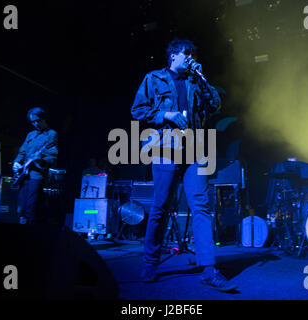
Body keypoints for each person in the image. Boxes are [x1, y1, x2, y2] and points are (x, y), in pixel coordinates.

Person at [131, 38, 238, 291]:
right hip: (165, 149)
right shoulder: (154, 78)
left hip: (195, 151)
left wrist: (202, 77)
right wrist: (164, 115)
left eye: (193, 53)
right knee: (160, 208)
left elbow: (215, 105)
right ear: (173, 55)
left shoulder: (195, 80)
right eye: (186, 53)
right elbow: (137, 110)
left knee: (201, 207)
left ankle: (209, 269)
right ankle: (150, 262)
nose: (190, 57)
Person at [13, 107, 58, 224]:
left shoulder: (51, 134)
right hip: (23, 175)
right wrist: (16, 162)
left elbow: (52, 157)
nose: (35, 123)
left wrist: (40, 159)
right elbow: (22, 152)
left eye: (38, 120)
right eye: (33, 121)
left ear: (44, 118)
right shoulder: (30, 134)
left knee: (31, 208)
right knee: (21, 208)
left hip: (36, 175)